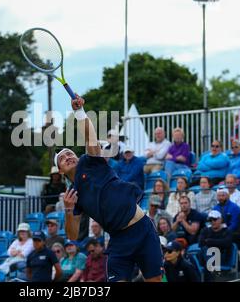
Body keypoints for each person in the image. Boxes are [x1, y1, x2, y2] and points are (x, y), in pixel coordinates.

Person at [58, 94, 162, 282]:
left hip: (142, 229)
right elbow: (72, 235)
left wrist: (79, 111)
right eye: (63, 158)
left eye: (70, 153)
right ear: (60, 170)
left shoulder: (90, 162)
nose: (68, 157)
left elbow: (90, 136)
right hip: (119, 240)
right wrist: (67, 210)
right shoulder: (72, 195)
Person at [198, 210, 233, 281]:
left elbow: (227, 243)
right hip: (208, 258)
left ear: (220, 219)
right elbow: (201, 243)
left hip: (221, 257)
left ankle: (212, 269)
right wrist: (218, 243)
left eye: (214, 219)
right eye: (210, 220)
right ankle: (213, 269)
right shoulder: (205, 230)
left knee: (210, 251)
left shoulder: (226, 231)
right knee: (205, 249)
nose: (212, 222)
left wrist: (210, 241)